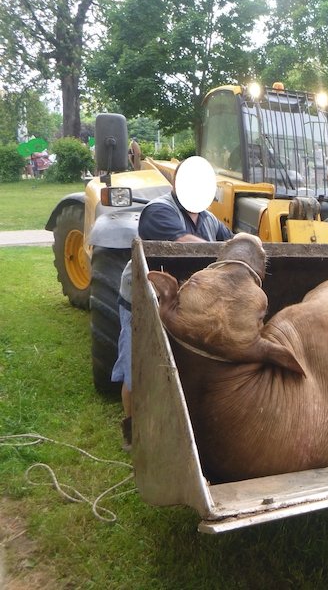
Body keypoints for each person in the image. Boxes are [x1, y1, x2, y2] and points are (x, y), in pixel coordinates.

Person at [113, 156, 233, 450]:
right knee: (136, 365)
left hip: (178, 302)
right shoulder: (158, 211)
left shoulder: (208, 219)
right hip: (142, 300)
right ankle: (133, 431)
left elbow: (231, 241)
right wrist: (230, 252)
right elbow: (186, 244)